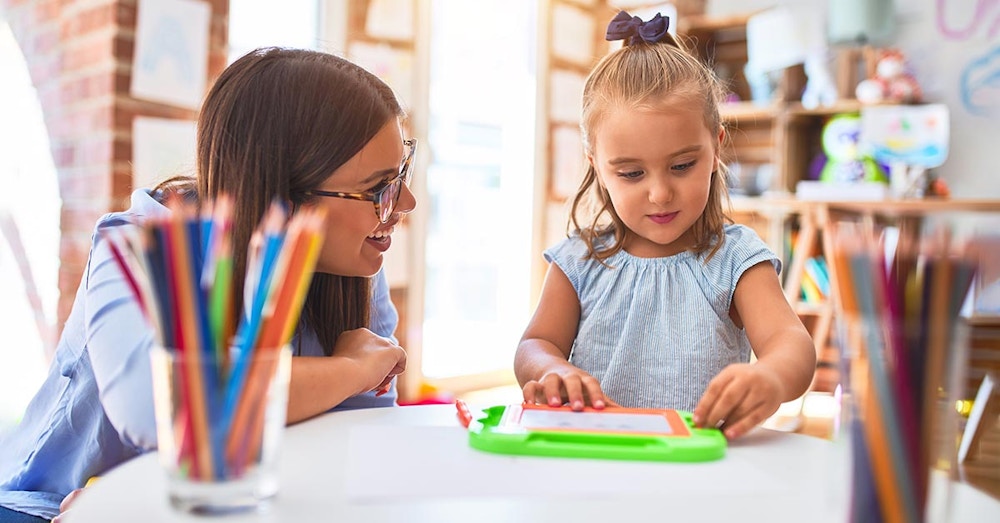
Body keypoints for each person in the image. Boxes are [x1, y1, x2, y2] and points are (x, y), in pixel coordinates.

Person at [0, 47, 414, 523]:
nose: (406, 201)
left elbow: (350, 437)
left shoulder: (354, 262)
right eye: (379, 188)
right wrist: (350, 369)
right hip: (44, 506)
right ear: (286, 191)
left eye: (402, 172)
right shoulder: (138, 245)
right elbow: (158, 407)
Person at [514, 11, 816, 441]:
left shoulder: (735, 259)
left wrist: (771, 376)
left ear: (716, 148)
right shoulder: (578, 260)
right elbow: (534, 345)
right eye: (631, 173)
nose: (659, 193)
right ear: (596, 166)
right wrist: (552, 369)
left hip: (702, 468)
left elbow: (792, 343)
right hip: (595, 459)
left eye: (681, 165)